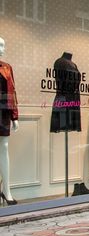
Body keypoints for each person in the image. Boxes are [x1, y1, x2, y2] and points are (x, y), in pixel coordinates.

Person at [0, 37, 19, 206]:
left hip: (3, 112)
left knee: (4, 147)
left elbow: (12, 92)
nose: (2, 48)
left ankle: (7, 190)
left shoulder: (7, 67)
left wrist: (15, 116)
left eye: (3, 45)